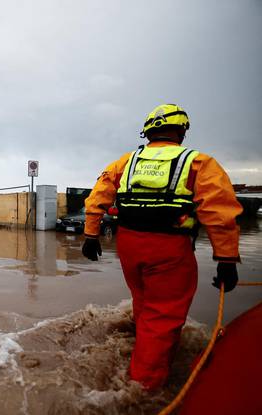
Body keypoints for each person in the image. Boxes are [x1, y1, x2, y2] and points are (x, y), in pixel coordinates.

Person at [81, 103, 242, 390]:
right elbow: (220, 212)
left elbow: (97, 198)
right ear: (181, 130)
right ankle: (143, 388)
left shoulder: (126, 162)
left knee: (143, 301)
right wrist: (227, 259)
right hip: (169, 248)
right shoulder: (198, 162)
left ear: (148, 131)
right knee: (163, 315)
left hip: (128, 246)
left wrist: (91, 236)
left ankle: (144, 350)